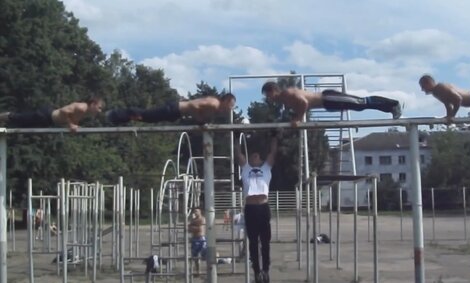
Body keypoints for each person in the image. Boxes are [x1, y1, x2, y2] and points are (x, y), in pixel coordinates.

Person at [235, 134, 278, 283]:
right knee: (253, 242)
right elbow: (238, 154)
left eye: (257, 155)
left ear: (260, 160)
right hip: (251, 208)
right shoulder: (245, 168)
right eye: (252, 155)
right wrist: (234, 136)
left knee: (265, 241)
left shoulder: (266, 168)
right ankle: (257, 271)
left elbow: (273, 153)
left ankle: (266, 270)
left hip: (263, 207)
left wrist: (274, 136)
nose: (254, 156)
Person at [261, 81, 402, 127]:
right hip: (327, 103)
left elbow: (303, 102)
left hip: (328, 98)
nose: (268, 98)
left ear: (273, 90)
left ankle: (393, 105)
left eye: (268, 95)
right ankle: (390, 108)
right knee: (359, 107)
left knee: (361, 103)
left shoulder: (286, 94)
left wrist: (298, 118)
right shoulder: (285, 101)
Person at [106, 93, 236, 125]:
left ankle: (118, 119)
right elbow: (192, 105)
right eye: (230, 106)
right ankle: (114, 115)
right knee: (145, 115)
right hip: (175, 108)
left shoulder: (215, 110)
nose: (229, 109)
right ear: (225, 101)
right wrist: (200, 119)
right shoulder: (213, 103)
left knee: (147, 119)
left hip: (177, 113)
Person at [0, 97, 104, 132]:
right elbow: (63, 111)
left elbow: (70, 119)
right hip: (45, 115)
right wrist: (70, 125)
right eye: (99, 108)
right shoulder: (82, 107)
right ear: (93, 104)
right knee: (18, 118)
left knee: (19, 125)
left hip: (48, 121)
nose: (99, 111)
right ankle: (3, 116)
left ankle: (3, 121)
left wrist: (73, 126)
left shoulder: (85, 113)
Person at [188, 207, 207, 276]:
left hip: (201, 238)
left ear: (200, 211)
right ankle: (198, 272)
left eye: (197, 211)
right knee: (195, 256)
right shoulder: (193, 220)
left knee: (204, 254)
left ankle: (212, 268)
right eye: (194, 211)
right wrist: (193, 227)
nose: (195, 213)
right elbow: (189, 229)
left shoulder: (202, 219)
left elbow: (199, 229)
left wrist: (192, 227)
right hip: (194, 238)